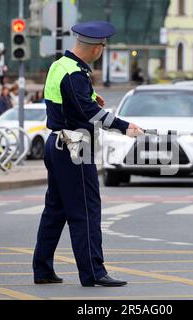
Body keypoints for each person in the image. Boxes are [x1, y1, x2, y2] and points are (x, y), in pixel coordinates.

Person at [33, 20, 143, 287]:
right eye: (103, 47)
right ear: (96, 48)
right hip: (74, 146)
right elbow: (88, 113)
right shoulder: (76, 74)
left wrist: (91, 98)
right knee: (86, 210)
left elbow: (65, 101)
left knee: (55, 210)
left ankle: (43, 268)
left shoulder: (60, 66)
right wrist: (124, 126)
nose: (103, 51)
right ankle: (94, 272)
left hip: (56, 142)